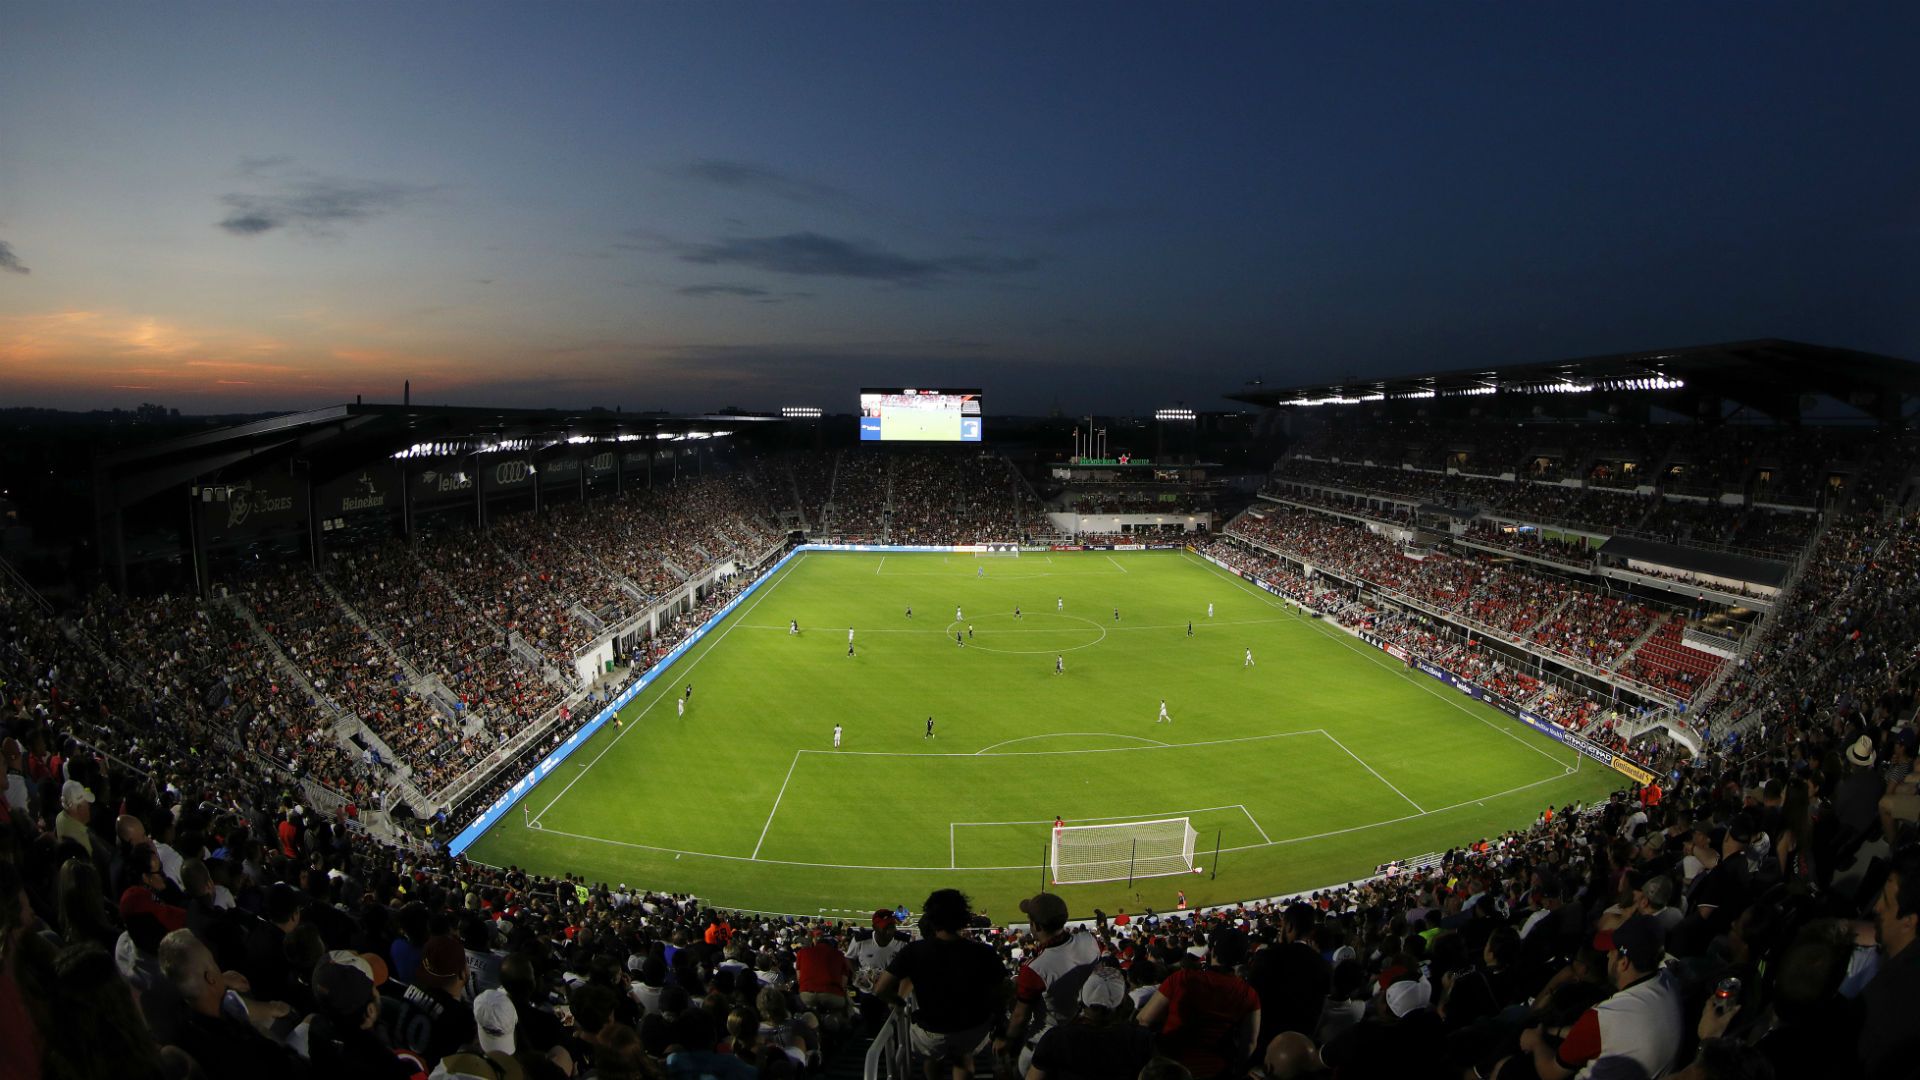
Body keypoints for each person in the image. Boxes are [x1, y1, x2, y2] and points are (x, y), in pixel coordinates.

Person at [874, 889, 1006, 1080]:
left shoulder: (913, 951)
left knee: (931, 1057)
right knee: (964, 1057)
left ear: (931, 918)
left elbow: (880, 989)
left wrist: (899, 1002)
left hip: (930, 1032)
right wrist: (1001, 1031)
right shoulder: (984, 952)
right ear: (964, 918)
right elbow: (999, 994)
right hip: (972, 1028)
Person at [999, 892, 1104, 1074]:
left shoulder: (1036, 968)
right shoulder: (1089, 940)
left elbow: (1020, 1017)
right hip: (1083, 1033)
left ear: (1036, 926)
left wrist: (1006, 1041)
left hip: (1044, 1043)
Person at [1136, 925, 1260, 1079]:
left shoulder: (1183, 978)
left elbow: (1143, 1019)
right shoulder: (1248, 993)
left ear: (1213, 950)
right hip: (1217, 1072)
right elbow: (1249, 1045)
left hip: (1170, 1070)